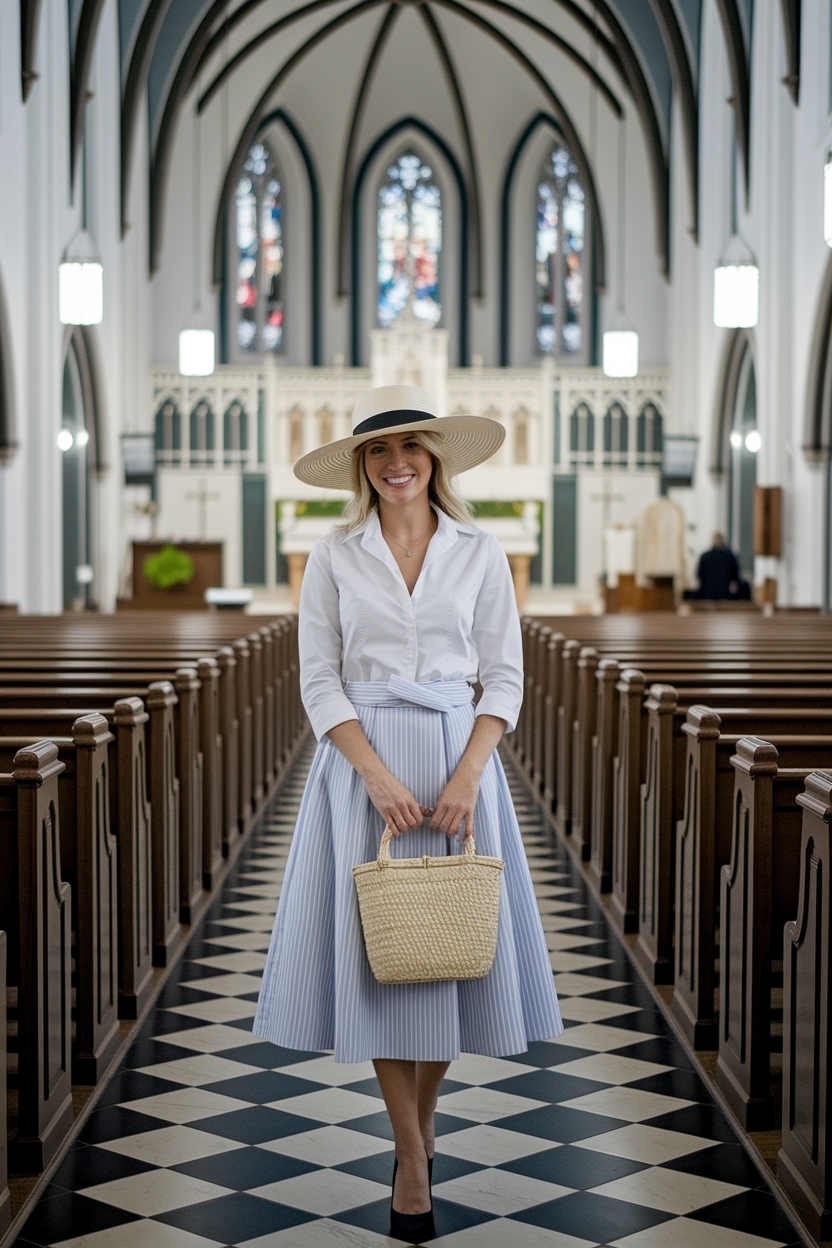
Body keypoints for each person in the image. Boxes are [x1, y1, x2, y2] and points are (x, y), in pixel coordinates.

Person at [253, 384, 562, 1242]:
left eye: (412, 450)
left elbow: (504, 675)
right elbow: (318, 678)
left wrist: (468, 772)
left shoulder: (479, 548)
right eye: (380, 454)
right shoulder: (335, 553)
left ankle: (420, 1131)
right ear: (362, 466)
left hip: (461, 760)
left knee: (448, 953)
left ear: (435, 460)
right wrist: (375, 777)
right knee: (383, 959)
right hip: (365, 762)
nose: (397, 465)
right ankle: (412, 1156)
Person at [689, 532, 750, 600]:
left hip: (708, 594)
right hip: (725, 594)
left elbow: (699, 575)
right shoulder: (730, 556)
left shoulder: (705, 556)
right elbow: (736, 576)